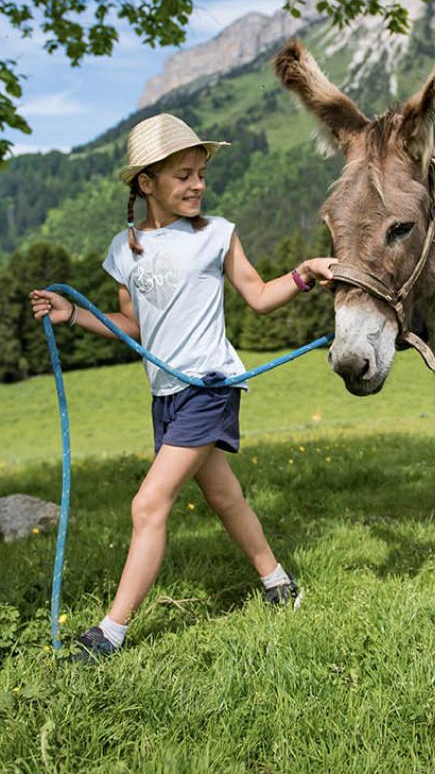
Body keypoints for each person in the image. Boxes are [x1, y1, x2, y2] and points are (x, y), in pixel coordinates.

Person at [30, 113, 336, 663]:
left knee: (149, 503)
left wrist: (306, 272)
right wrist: (73, 313)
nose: (197, 184)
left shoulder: (218, 235)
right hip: (166, 394)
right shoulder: (125, 251)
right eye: (183, 175)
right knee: (222, 495)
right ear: (146, 183)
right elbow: (136, 329)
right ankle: (277, 582)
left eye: (200, 173)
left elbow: (260, 296)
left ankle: (109, 633)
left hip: (210, 385)